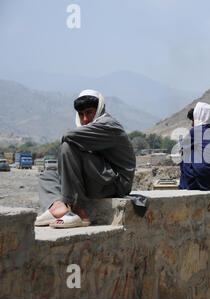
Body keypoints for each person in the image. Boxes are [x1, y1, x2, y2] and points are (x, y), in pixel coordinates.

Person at [35, 89, 136, 228]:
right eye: (81, 114)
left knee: (67, 147)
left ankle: (79, 213)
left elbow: (68, 136)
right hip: (97, 179)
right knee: (48, 176)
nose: (85, 119)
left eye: (89, 112)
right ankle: (57, 206)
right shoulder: (88, 128)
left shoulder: (109, 125)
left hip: (115, 184)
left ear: (99, 110)